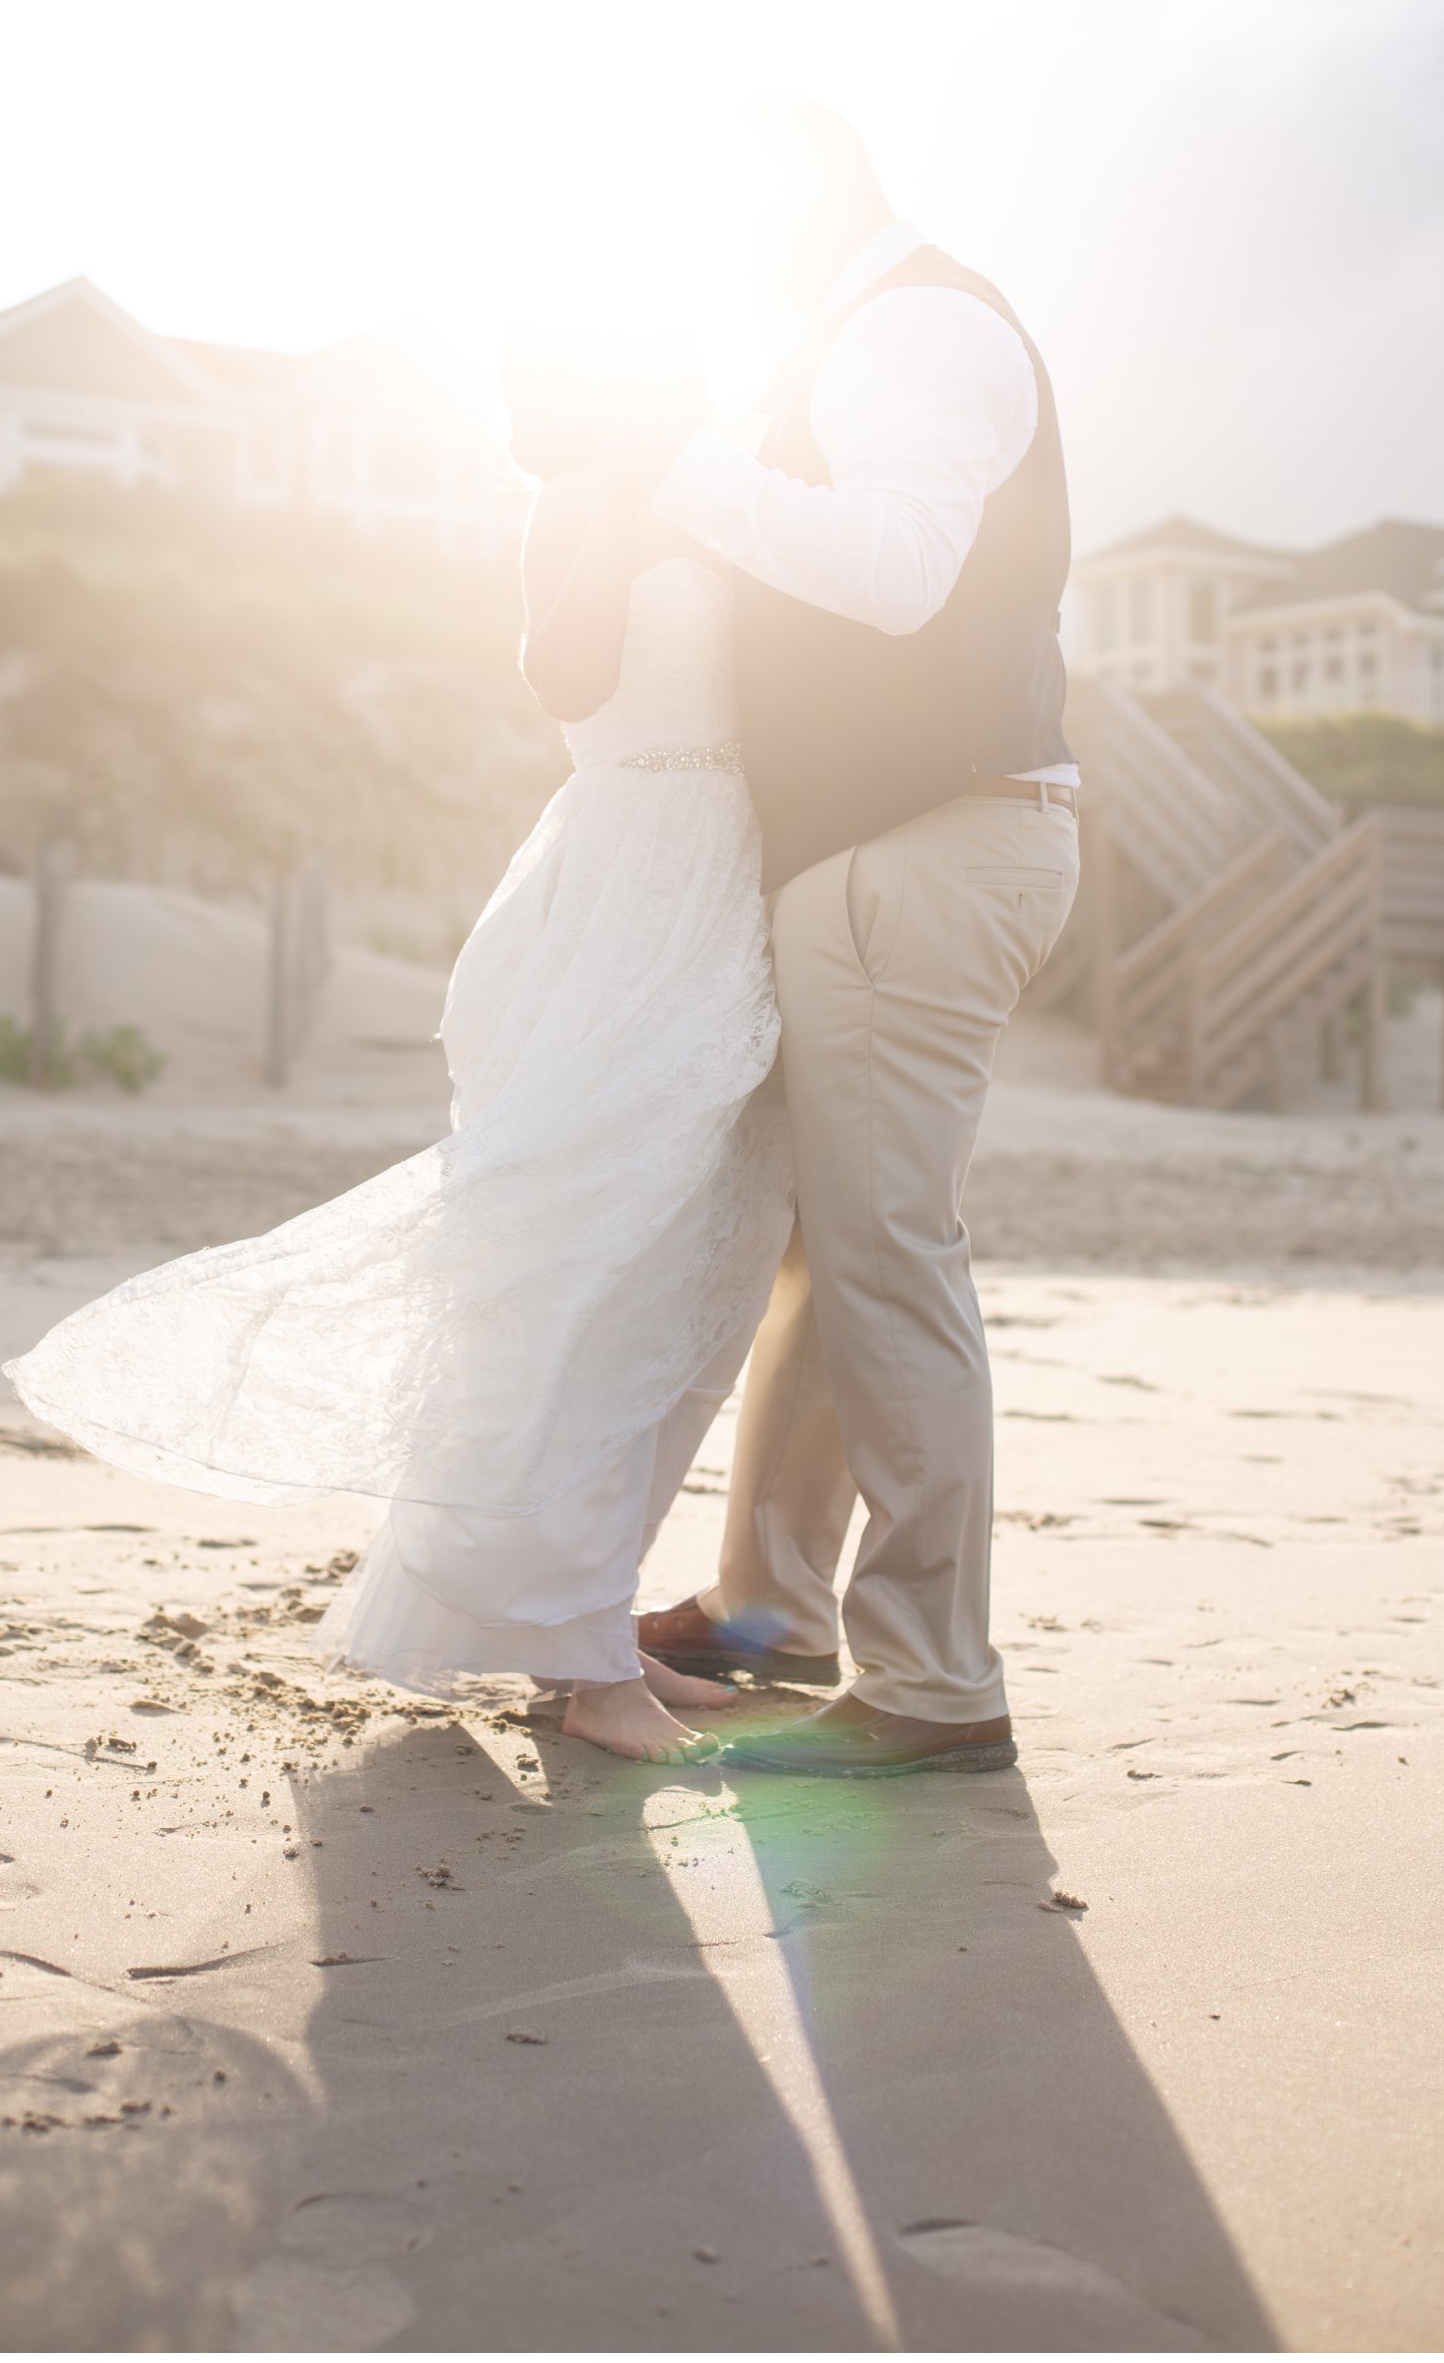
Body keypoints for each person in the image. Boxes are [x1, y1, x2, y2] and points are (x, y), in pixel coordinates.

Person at [4, 328, 793, 1765]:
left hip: (723, 887)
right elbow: (564, 676)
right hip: (635, 874)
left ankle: (587, 1626)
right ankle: (571, 1652)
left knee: (696, 1272)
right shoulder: (592, 498)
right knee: (583, 1268)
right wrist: (618, 498)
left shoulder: (720, 494)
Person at [631, 97, 1081, 1777]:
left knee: (887, 1252)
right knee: (836, 1253)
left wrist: (677, 469)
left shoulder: (919, 329)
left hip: (925, 844)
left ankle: (932, 1678)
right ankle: (773, 1611)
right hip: (899, 848)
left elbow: (897, 574)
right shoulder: (867, 334)